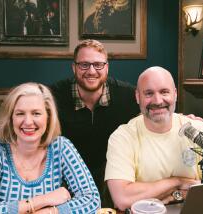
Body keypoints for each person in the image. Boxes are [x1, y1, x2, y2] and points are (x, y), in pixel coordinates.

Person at [104, 66, 203, 211]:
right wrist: (177, 182)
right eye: (148, 93)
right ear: (137, 97)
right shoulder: (122, 137)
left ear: (175, 94)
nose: (158, 100)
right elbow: (122, 199)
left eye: (164, 92)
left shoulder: (199, 130)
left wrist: (172, 195)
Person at [0, 82, 100, 213]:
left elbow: (92, 200)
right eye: (20, 113)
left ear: (48, 117)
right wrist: (43, 200)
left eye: (36, 113)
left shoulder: (61, 147)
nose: (28, 122)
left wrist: (51, 212)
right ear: (10, 118)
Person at [50, 39, 140, 198]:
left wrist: (182, 120)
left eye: (98, 65)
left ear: (107, 67)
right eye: (84, 65)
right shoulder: (53, 95)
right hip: (65, 179)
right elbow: (27, 117)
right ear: (74, 67)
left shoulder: (128, 95)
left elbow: (155, 110)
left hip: (111, 178)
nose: (91, 71)